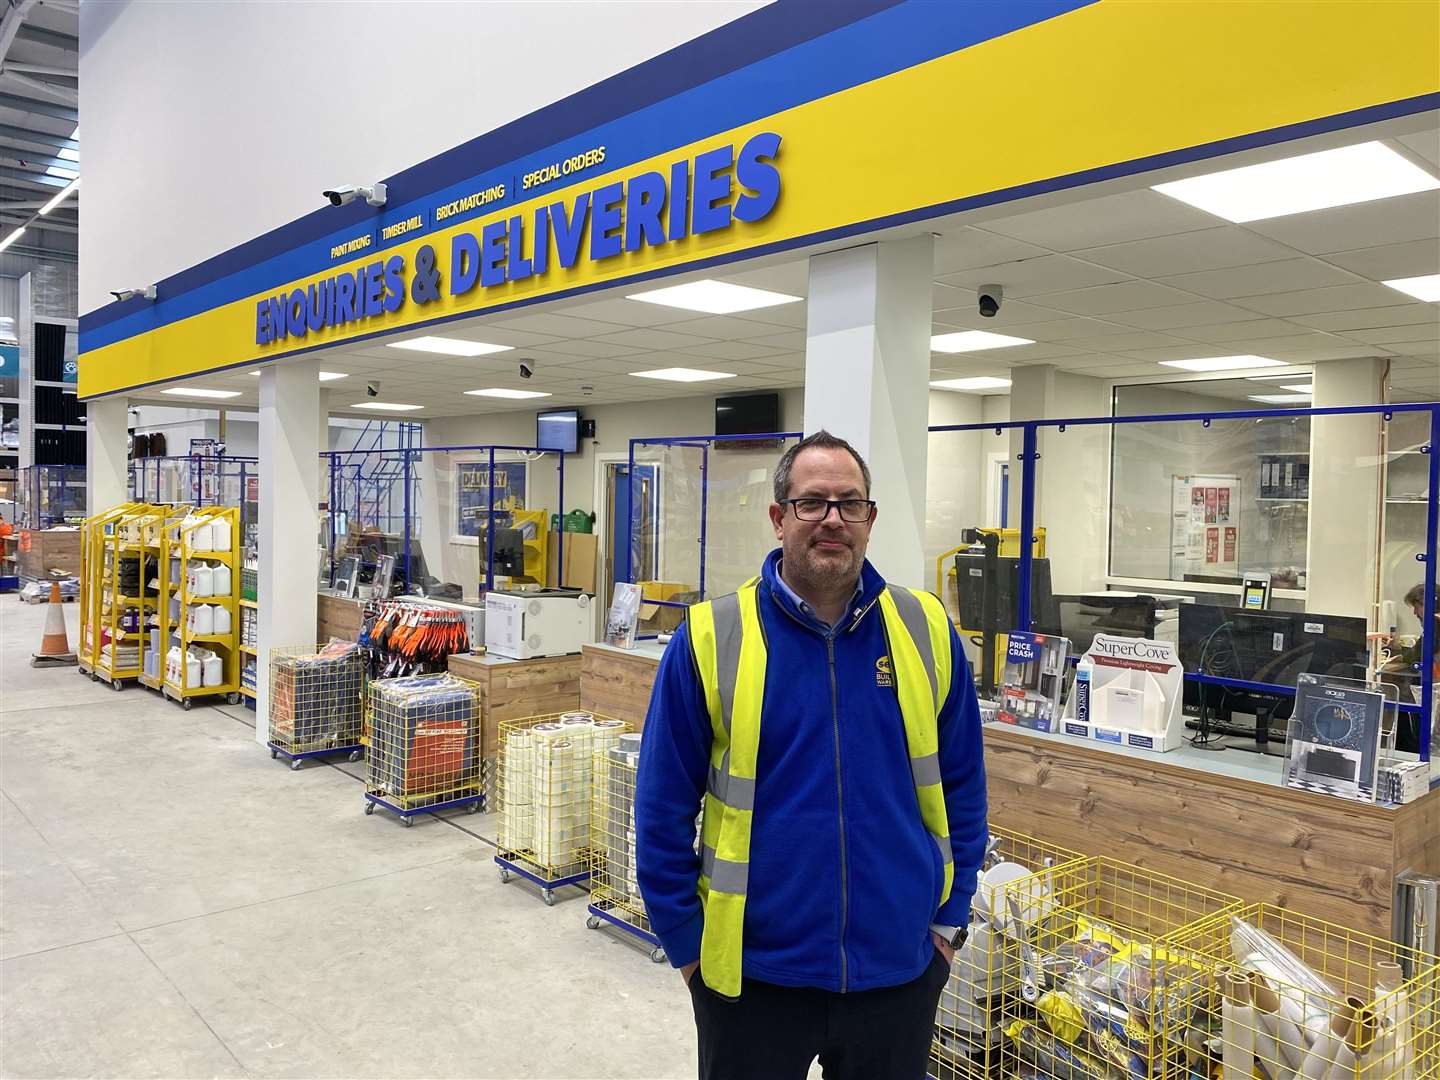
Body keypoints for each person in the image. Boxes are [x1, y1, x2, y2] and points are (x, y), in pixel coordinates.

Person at [635, 430, 988, 1080]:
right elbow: (659, 812)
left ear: (870, 519)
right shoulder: (711, 638)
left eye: (849, 503)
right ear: (779, 518)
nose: (832, 519)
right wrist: (688, 950)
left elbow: (964, 788)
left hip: (899, 975)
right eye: (812, 503)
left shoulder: (925, 629)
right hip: (751, 981)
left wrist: (948, 921)